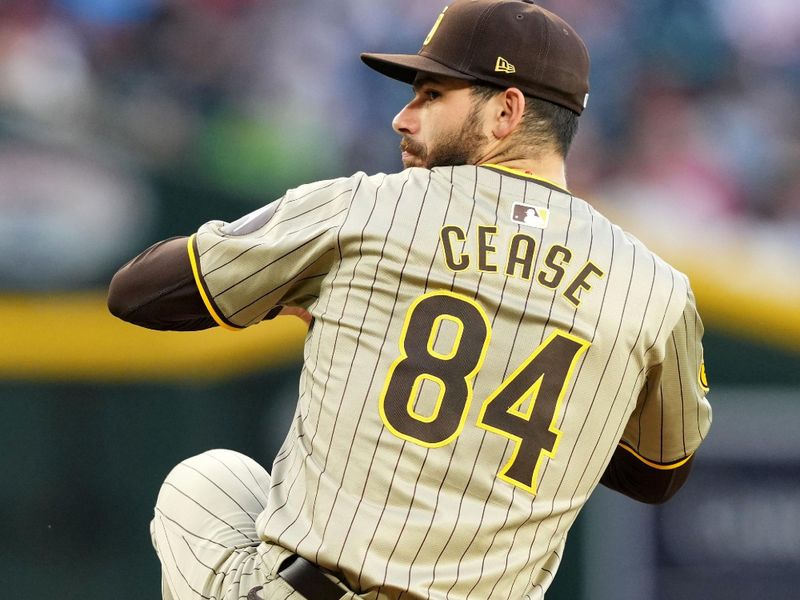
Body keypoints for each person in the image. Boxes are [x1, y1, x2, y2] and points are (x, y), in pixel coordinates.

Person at [107, 1, 712, 598]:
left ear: (507, 110)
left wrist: (281, 296)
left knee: (207, 481)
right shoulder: (654, 287)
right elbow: (658, 475)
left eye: (431, 95)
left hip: (316, 591)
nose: (403, 117)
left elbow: (138, 292)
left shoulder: (370, 207)